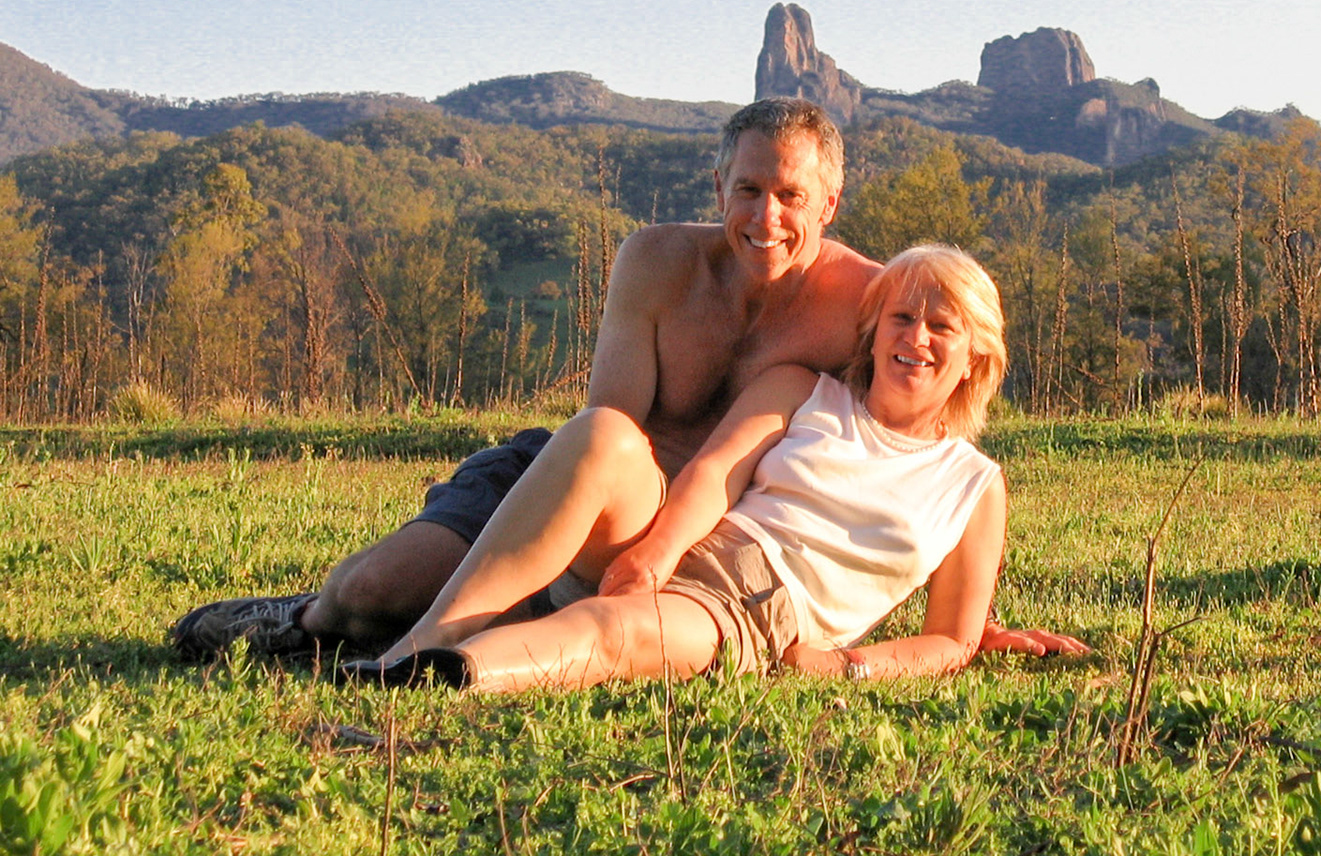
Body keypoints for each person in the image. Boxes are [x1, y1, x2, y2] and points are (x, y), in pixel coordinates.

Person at [170, 98, 1083, 661]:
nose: (766, 217)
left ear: (829, 202)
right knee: (368, 592)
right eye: (748, 189)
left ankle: (447, 636)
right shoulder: (652, 263)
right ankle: (306, 620)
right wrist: (540, 516)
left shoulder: (864, 298)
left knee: (450, 615)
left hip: (703, 549)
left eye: (791, 196)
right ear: (718, 181)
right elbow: (607, 428)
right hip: (592, 492)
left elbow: (913, 430)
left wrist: (966, 624)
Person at [342, 245, 1011, 690]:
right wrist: (655, 556)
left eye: (941, 326)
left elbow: (951, 638)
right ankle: (418, 642)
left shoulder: (973, 485)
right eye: (901, 317)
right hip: (680, 541)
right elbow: (716, 473)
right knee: (602, 431)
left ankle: (439, 676)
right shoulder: (802, 389)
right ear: (872, 331)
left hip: (753, 609)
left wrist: (847, 666)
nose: (915, 338)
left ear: (976, 356)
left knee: (609, 635)